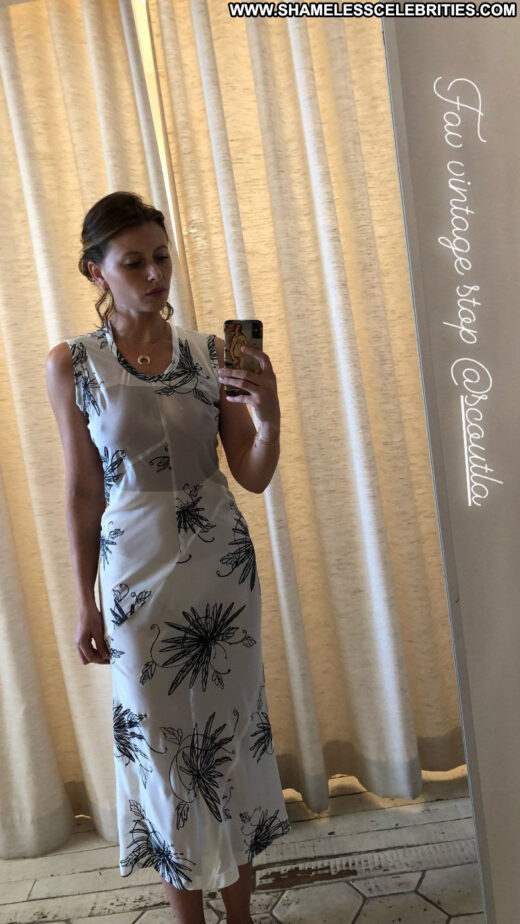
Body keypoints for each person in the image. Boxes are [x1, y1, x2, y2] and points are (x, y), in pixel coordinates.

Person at [45, 191, 291, 924]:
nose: (155, 274)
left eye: (161, 257)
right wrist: (85, 600)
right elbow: (83, 491)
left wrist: (269, 414)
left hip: (220, 567)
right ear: (96, 272)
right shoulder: (72, 364)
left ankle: (241, 916)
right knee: (158, 751)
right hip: (133, 578)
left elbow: (250, 473)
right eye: (134, 262)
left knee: (227, 742)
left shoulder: (213, 354)